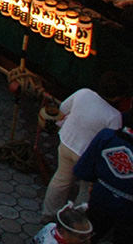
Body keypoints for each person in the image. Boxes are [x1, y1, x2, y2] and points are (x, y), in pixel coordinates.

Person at [43, 75, 123, 216]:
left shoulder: (83, 93)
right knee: (86, 189)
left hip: (67, 141)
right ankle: (75, 220)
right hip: (87, 157)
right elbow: (111, 143)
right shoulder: (115, 116)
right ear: (117, 97)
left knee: (61, 180)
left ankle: (49, 214)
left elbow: (62, 110)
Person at [74, 109, 133, 240]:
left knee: (88, 236)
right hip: (129, 212)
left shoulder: (107, 137)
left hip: (100, 198)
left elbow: (83, 170)